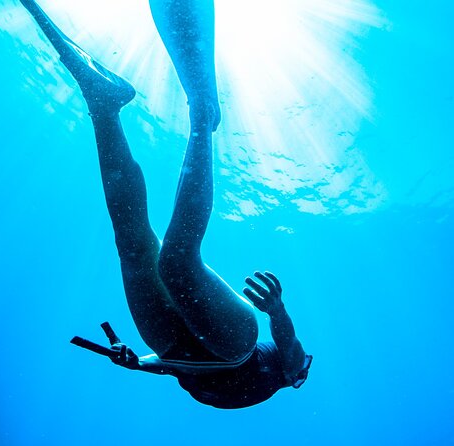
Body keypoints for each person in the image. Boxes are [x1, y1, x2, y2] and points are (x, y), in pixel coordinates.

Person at [18, 0, 312, 409]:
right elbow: (294, 357)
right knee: (174, 262)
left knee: (133, 247)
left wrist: (138, 363)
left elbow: (174, 370)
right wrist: (277, 312)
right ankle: (203, 118)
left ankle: (104, 106)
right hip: (235, 344)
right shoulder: (292, 374)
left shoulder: (190, 376)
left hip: (175, 352)